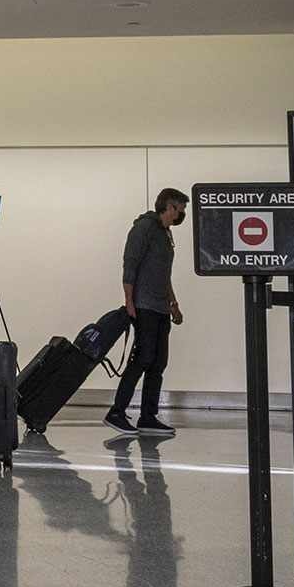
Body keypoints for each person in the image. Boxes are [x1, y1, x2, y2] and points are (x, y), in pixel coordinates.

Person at [105, 188, 187, 439]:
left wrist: (173, 303)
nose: (182, 214)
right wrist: (129, 301)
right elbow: (130, 264)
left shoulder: (165, 234)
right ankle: (116, 412)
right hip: (144, 306)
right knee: (142, 359)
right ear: (169, 207)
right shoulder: (144, 228)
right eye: (181, 208)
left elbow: (163, 274)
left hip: (161, 307)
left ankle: (148, 416)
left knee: (158, 363)